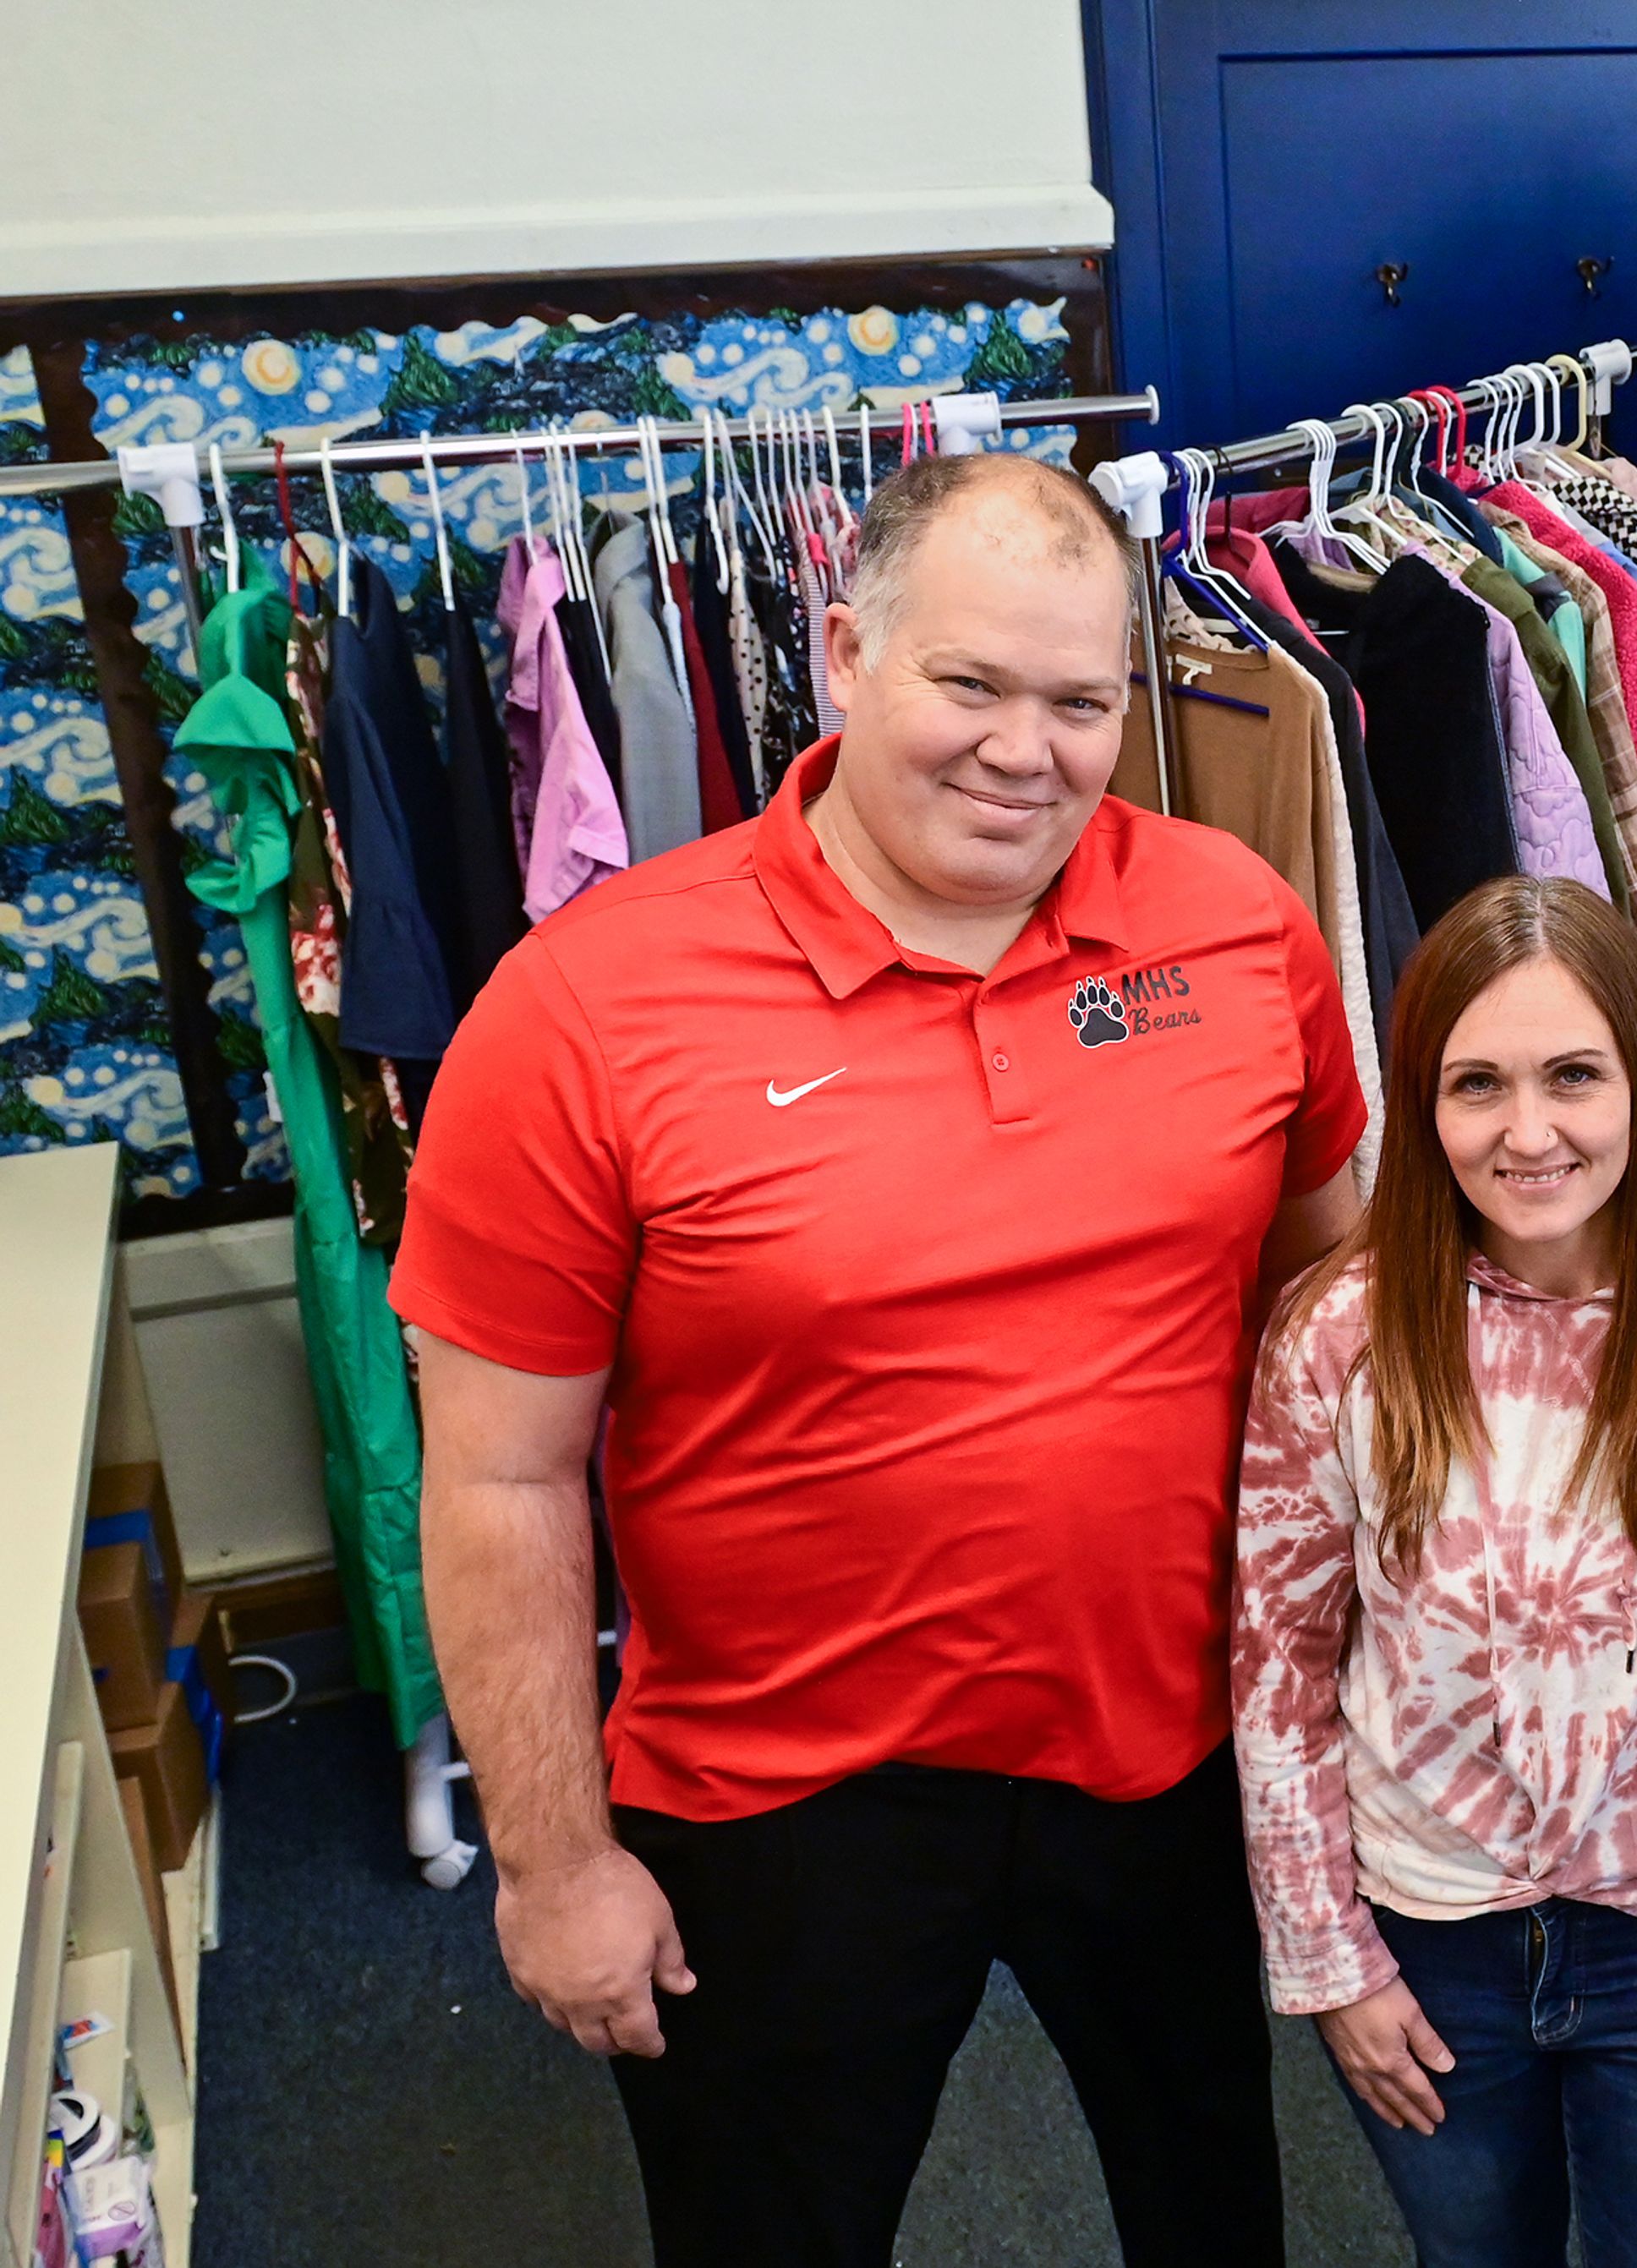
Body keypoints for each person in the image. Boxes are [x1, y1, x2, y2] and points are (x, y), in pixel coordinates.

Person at [397, 452, 1366, 2268]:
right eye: (972, 685)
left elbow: (1327, 1314)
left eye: (1082, 702)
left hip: (1164, 1746)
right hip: (781, 1792)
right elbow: (500, 1470)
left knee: (1217, 2207)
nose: (1029, 751)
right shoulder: (592, 1003)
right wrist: (548, 1860)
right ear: (845, 652)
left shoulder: (1236, 926)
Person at [1234, 875, 1637, 2268]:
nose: (1528, 1134)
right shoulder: (1338, 1336)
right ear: (1420, 1104)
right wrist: (1328, 1959)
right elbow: (1277, 1672)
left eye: (1574, 1076)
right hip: (1425, 1940)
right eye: (1477, 1085)